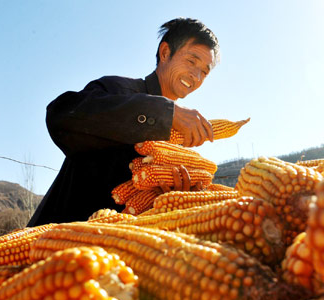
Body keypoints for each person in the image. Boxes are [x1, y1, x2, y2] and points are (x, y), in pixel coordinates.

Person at [28, 18, 219, 226]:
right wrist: (165, 113)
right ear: (165, 53)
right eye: (191, 61)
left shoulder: (178, 140)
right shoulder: (119, 90)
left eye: (205, 72)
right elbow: (60, 115)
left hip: (118, 252)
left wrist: (174, 196)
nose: (196, 76)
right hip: (59, 240)